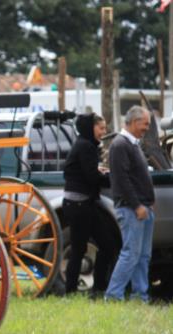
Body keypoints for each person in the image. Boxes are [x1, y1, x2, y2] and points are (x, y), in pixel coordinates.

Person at [62, 113, 117, 297]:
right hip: (79, 205)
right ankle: (71, 291)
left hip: (84, 204)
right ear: (89, 128)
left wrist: (99, 171)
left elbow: (86, 171)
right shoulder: (85, 146)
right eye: (100, 128)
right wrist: (112, 178)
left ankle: (99, 288)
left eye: (104, 128)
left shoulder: (85, 145)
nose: (104, 132)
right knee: (79, 250)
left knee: (106, 244)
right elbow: (92, 177)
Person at [104, 106, 155, 302]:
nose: (147, 128)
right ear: (134, 122)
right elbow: (122, 180)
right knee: (131, 254)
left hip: (143, 207)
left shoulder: (132, 144)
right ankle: (113, 296)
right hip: (132, 209)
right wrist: (137, 205)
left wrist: (148, 203)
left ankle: (140, 295)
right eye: (145, 123)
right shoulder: (120, 145)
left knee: (143, 256)